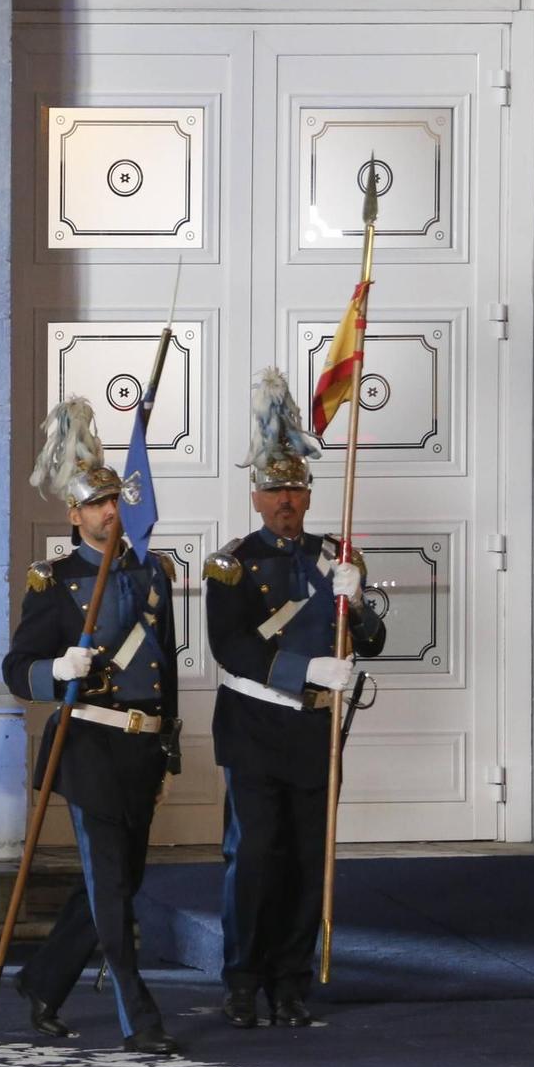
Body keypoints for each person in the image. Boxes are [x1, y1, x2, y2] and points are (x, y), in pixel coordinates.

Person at [206, 369, 386, 1029]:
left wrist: (357, 602)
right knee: (254, 855)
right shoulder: (231, 564)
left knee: (309, 859)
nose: (286, 499)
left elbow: (372, 638)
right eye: (274, 488)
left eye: (296, 488)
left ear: (309, 493)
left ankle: (289, 981)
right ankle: (242, 980)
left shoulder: (335, 554)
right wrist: (309, 663)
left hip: (316, 728)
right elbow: (232, 647)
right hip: (254, 725)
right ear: (255, 494)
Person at [3, 396, 181, 1055]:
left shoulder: (152, 574)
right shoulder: (52, 583)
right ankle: (140, 1016)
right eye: (97, 504)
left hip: (139, 748)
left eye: (115, 500)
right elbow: (15, 669)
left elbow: (167, 668)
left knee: (120, 882)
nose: (111, 511)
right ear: (74, 514)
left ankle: (44, 982)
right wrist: (58, 664)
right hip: (88, 746)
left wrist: (169, 748)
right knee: (112, 887)